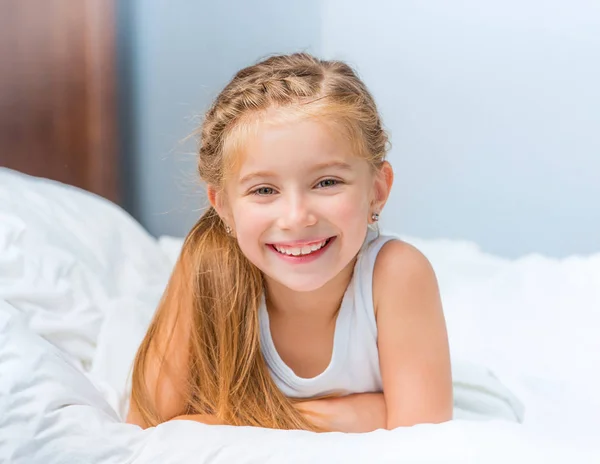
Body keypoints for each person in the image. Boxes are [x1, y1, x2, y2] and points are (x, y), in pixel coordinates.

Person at [126, 52, 452, 433]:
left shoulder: (396, 273)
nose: (297, 217)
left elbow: (424, 430)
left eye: (327, 182)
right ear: (224, 206)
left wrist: (233, 420)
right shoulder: (209, 264)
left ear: (377, 190)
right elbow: (146, 422)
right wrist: (350, 415)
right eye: (264, 190)